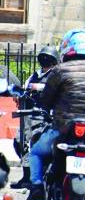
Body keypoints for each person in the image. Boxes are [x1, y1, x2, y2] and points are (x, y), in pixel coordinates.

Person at [24, 28, 85, 200]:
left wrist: (45, 109)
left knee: (36, 152)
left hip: (62, 128)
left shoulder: (60, 70)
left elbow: (46, 99)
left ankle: (37, 186)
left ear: (67, 48)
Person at [10, 46, 59, 189]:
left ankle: (40, 177)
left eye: (48, 57)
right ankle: (26, 176)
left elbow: (57, 89)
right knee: (20, 142)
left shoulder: (56, 74)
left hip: (46, 116)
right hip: (29, 112)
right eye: (43, 57)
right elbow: (26, 88)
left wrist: (39, 87)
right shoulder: (35, 74)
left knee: (38, 143)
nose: (45, 60)